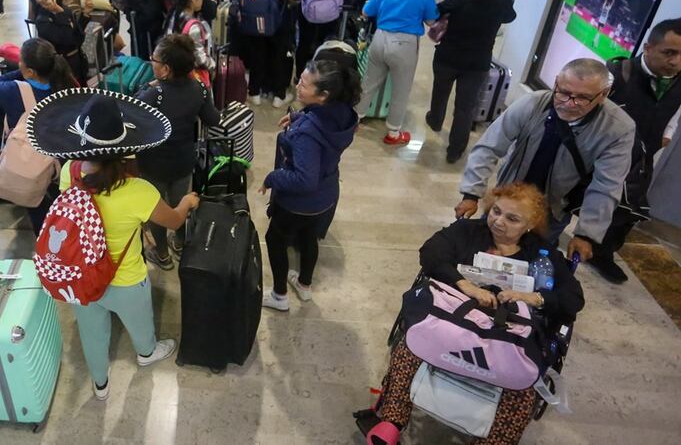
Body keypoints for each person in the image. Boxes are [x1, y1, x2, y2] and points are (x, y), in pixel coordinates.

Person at [359, 183, 585, 445]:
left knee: (522, 385)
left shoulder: (542, 255)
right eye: (496, 211)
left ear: (530, 224)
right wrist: (465, 285)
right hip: (453, 320)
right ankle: (391, 419)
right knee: (411, 345)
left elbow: (573, 299)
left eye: (512, 218)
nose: (499, 222)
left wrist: (531, 297)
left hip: (507, 339)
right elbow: (431, 253)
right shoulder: (468, 231)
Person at [26, 90, 199, 399]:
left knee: (92, 333)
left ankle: (100, 383)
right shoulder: (139, 191)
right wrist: (186, 201)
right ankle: (146, 353)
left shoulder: (69, 173)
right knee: (140, 323)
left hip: (81, 275)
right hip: (126, 278)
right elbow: (173, 221)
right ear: (125, 149)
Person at [457, 58, 637, 261]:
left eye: (583, 98)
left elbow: (606, 185)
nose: (569, 104)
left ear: (603, 95)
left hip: (552, 210)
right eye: (564, 92)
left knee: (530, 258)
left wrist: (586, 234)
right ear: (556, 82)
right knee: (484, 249)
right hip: (509, 199)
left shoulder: (617, 129)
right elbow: (489, 147)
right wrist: (471, 193)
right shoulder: (534, 103)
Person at [261, 59, 359, 312]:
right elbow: (320, 129)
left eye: (304, 84)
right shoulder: (343, 113)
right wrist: (298, 116)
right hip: (325, 196)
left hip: (298, 202)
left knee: (275, 239)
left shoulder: (307, 133)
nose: (297, 86)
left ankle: (280, 295)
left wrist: (272, 178)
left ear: (323, 95)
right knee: (308, 236)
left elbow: (304, 179)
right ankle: (304, 285)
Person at [591, 18, 681, 282]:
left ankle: (603, 253)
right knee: (569, 197)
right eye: (669, 53)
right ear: (649, 47)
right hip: (602, 153)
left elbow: (675, 110)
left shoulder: (678, 82)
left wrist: (668, 132)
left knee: (630, 208)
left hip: (641, 156)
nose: (676, 61)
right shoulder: (618, 74)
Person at [136, 34, 220, 267]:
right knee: (180, 203)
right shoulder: (199, 88)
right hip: (184, 162)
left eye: (154, 59)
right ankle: (180, 243)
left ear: (166, 70)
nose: (151, 61)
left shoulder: (155, 94)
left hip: (153, 164)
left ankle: (162, 255)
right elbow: (213, 119)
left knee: (157, 209)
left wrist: (147, 87)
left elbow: (131, 115)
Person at [427, 0, 516, 163]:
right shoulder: (502, 2)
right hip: (478, 62)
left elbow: (436, 10)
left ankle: (436, 120)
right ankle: (455, 150)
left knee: (440, 92)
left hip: (448, 56)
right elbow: (510, 17)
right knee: (465, 107)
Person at [0, 38, 74, 233]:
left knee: (40, 214)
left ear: (30, 71)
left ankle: (47, 250)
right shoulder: (66, 82)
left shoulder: (14, 91)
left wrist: (22, 73)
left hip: (33, 165)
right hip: (62, 162)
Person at [355, 0, 437, 145]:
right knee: (401, 90)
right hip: (405, 44)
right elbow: (431, 21)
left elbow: (367, 11)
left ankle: (353, 120)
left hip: (380, 38)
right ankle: (393, 133)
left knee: (368, 83)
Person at [244, 0, 300, 107]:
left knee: (257, 54)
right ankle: (278, 95)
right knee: (279, 55)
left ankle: (254, 93)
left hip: (254, 21)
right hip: (280, 21)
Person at [30, 0, 87, 82]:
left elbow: (79, 38)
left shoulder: (65, 9)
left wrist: (85, 16)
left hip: (78, 61)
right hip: (61, 70)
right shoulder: (42, 20)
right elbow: (68, 39)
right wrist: (60, 12)